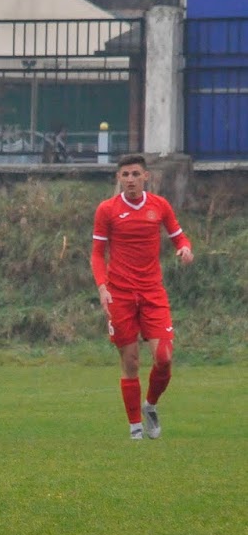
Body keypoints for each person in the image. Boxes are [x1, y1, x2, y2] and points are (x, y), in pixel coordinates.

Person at [91, 154, 194, 440]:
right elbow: (98, 254)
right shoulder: (107, 210)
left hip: (152, 292)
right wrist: (102, 287)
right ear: (118, 178)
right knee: (131, 361)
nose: (131, 180)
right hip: (120, 294)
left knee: (163, 357)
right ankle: (135, 428)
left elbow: (179, 237)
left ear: (146, 177)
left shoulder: (159, 206)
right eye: (125, 175)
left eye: (136, 174)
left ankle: (150, 405)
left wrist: (185, 249)